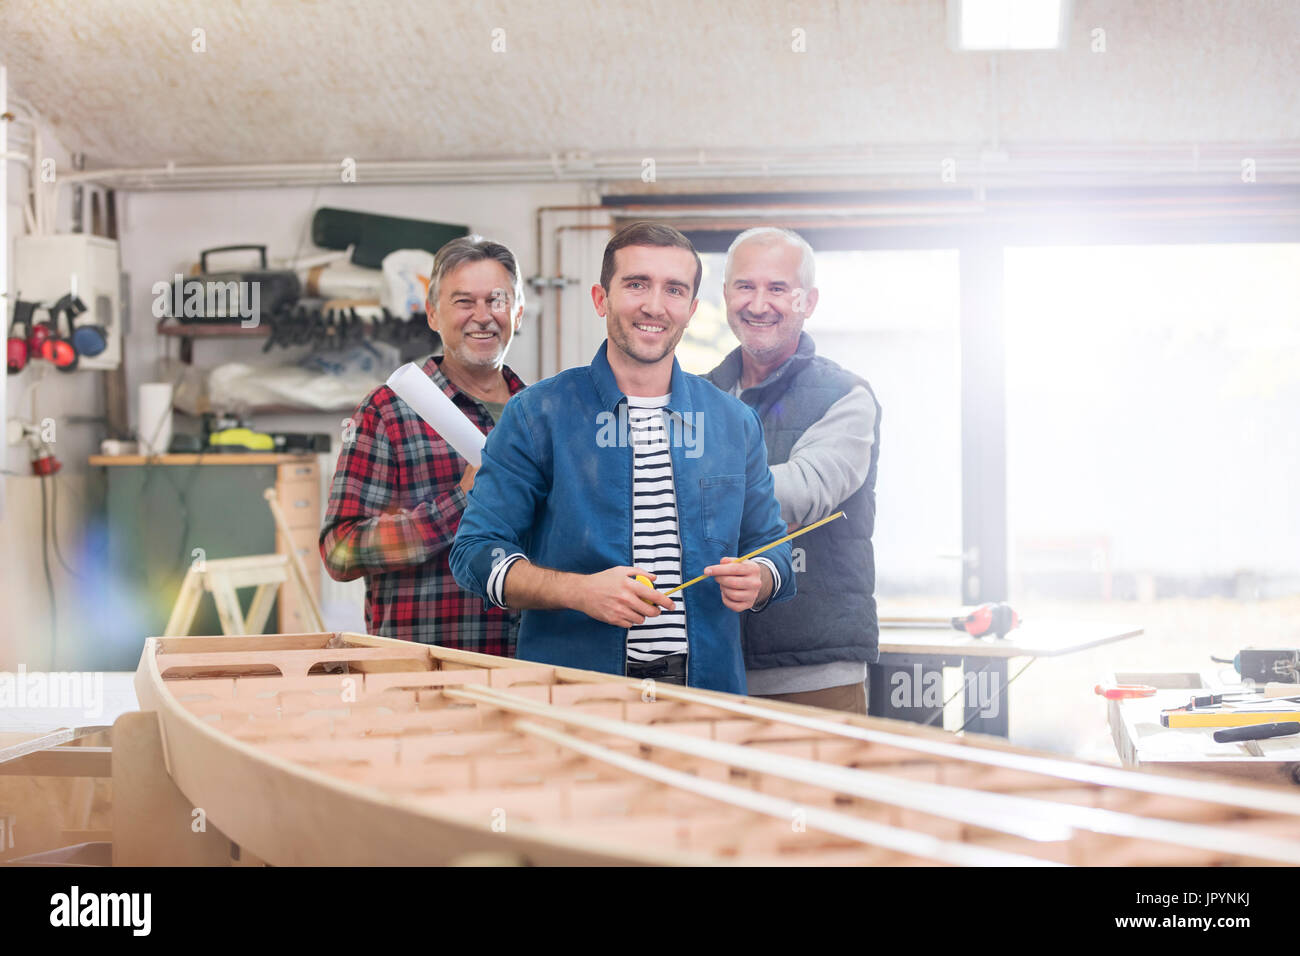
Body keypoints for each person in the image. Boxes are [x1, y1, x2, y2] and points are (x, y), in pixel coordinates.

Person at [450, 221, 794, 692]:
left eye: (674, 290)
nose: (654, 305)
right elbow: (474, 554)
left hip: (706, 697)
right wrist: (579, 591)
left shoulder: (734, 423)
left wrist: (762, 577)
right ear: (600, 299)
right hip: (576, 697)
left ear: (691, 310)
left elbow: (774, 550)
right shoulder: (537, 414)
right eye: (637, 284)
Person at [319, 235, 527, 653]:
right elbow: (340, 552)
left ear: (517, 313)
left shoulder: (539, 415)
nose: (483, 316)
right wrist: (462, 502)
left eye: (497, 301)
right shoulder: (389, 411)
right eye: (464, 301)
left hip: (525, 665)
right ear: (432, 314)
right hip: (426, 668)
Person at [705, 227, 880, 712]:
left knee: (821, 792)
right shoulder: (696, 397)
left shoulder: (846, 397)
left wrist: (686, 488)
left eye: (777, 288)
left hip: (813, 671)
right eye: (745, 286)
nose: (759, 304)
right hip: (712, 665)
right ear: (725, 295)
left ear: (809, 300)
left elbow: (798, 494)